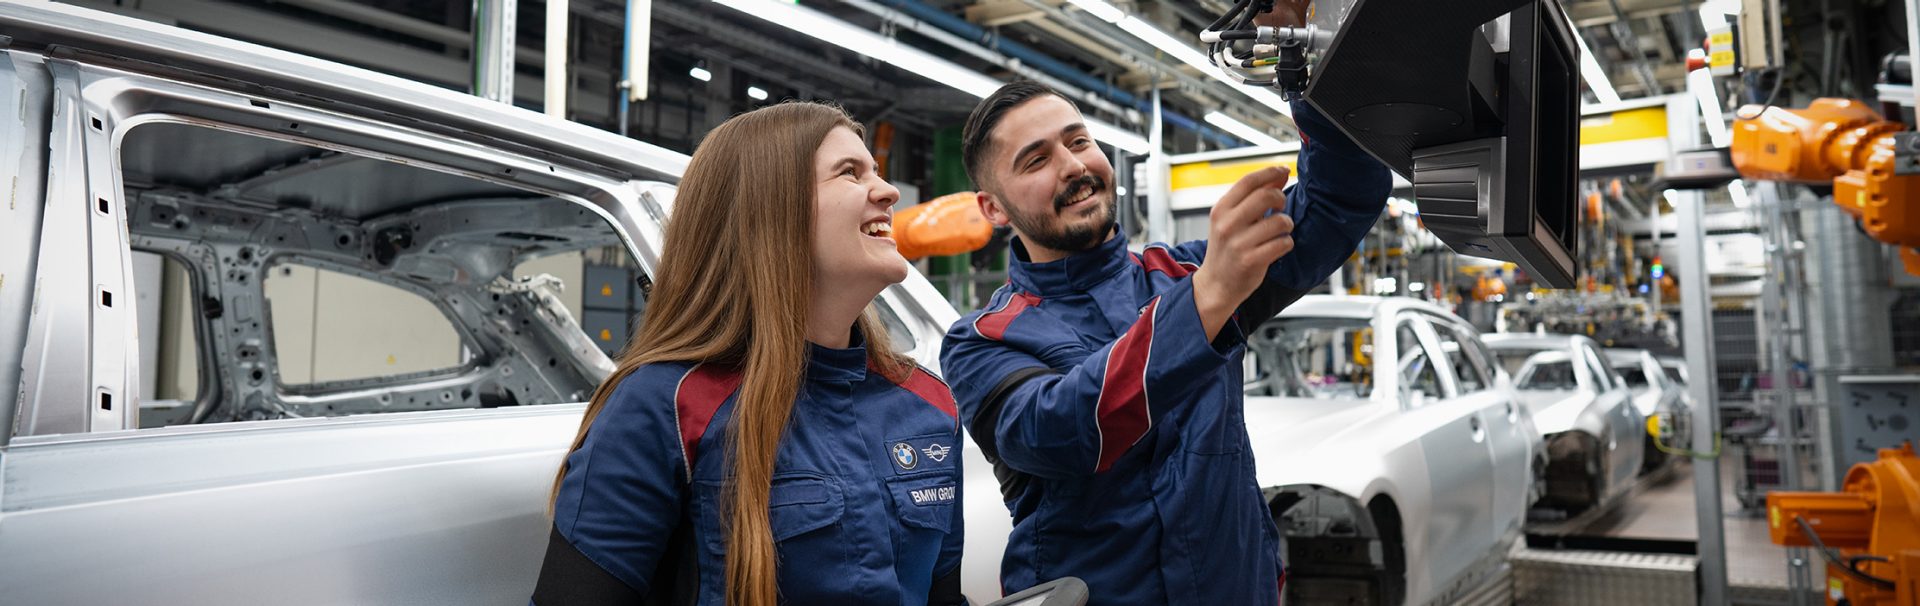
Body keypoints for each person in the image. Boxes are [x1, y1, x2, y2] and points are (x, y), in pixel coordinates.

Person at [940, 80, 1390, 604]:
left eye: (1079, 141)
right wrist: (1207, 298)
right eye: (1036, 160)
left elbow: (1341, 197)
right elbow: (1066, 430)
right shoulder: (980, 341)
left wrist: (1308, 69)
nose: (1072, 165)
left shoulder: (1190, 272)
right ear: (993, 208)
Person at [533, 102, 965, 606]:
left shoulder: (928, 403)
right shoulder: (666, 408)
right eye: (850, 172)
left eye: (876, 171)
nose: (889, 191)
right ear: (770, 209)